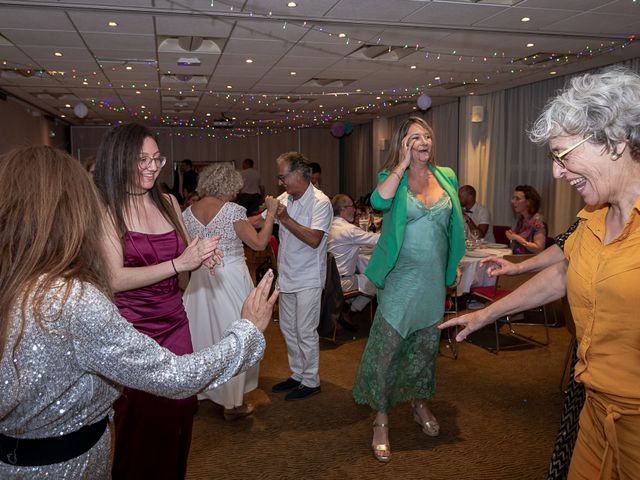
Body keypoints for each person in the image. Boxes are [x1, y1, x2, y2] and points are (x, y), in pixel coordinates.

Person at [0, 145, 278, 479]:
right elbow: (174, 376)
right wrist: (246, 331)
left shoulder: (20, 283)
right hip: (65, 465)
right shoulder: (74, 301)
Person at [440, 66, 640, 480]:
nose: (556, 172)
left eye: (564, 155)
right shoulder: (594, 216)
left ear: (616, 142)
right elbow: (564, 272)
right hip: (595, 406)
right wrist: (485, 314)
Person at [93, 123, 220, 479]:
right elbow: (114, 278)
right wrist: (180, 263)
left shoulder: (168, 202)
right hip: (133, 330)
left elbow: (182, 261)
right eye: (142, 159)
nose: (152, 166)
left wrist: (200, 256)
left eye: (156, 158)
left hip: (175, 322)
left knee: (180, 413)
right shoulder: (106, 208)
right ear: (119, 161)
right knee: (143, 422)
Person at [352, 116, 465, 463]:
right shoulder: (393, 179)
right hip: (400, 278)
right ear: (403, 143)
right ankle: (381, 419)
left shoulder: (446, 176)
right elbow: (378, 202)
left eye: (427, 135)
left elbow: (451, 227)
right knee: (388, 349)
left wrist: (454, 263)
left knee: (425, 348)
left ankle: (419, 404)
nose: (424, 141)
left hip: (432, 279)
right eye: (415, 137)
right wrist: (401, 165)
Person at [182, 163, 279, 420]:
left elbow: (215, 230)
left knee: (205, 337)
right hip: (231, 279)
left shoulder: (187, 212)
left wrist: (253, 219)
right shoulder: (232, 210)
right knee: (235, 337)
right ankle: (232, 404)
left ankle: (203, 391)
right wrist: (269, 215)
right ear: (229, 186)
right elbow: (258, 243)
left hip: (200, 281)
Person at [260, 152, 333, 401]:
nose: (281, 182)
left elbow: (314, 239)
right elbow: (260, 220)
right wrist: (228, 218)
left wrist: (284, 217)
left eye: (283, 177)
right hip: (287, 275)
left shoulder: (320, 202)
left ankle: (311, 380)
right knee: (288, 330)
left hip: (309, 277)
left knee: (305, 330)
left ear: (300, 174)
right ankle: (298, 373)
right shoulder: (285, 197)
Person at [327, 194, 379, 330]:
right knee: (376, 280)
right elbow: (376, 240)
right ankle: (348, 312)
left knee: (360, 269)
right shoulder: (348, 230)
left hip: (327, 279)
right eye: (352, 207)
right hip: (340, 283)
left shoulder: (328, 225)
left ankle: (344, 306)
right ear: (344, 209)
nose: (355, 210)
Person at [507, 184, 546, 254]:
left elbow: (539, 248)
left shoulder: (538, 221)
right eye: (513, 198)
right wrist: (512, 235)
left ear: (528, 202)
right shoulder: (521, 219)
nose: (513, 201)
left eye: (517, 199)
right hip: (518, 259)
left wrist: (516, 237)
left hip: (530, 262)